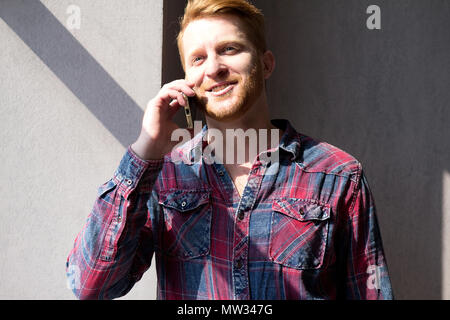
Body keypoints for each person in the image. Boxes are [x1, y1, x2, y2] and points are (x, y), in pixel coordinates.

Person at [66, 0, 393, 300]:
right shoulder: (166, 174)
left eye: (229, 49)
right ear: (187, 81)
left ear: (265, 64)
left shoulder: (337, 174)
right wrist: (144, 151)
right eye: (198, 58)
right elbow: (90, 285)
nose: (213, 68)